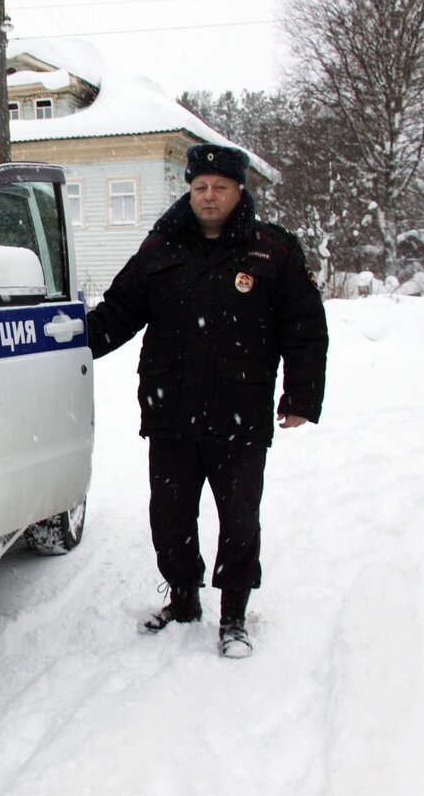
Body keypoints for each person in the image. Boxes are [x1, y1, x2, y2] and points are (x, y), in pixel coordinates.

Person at [87, 143, 328, 659]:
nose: (209, 196)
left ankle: (235, 615)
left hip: (238, 414)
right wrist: (68, 345)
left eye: (220, 187)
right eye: (200, 187)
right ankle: (183, 599)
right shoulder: (162, 247)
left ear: (240, 191)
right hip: (170, 408)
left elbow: (304, 328)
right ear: (189, 191)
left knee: (239, 519)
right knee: (169, 516)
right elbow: (118, 311)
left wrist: (301, 396)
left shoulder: (273, 250)